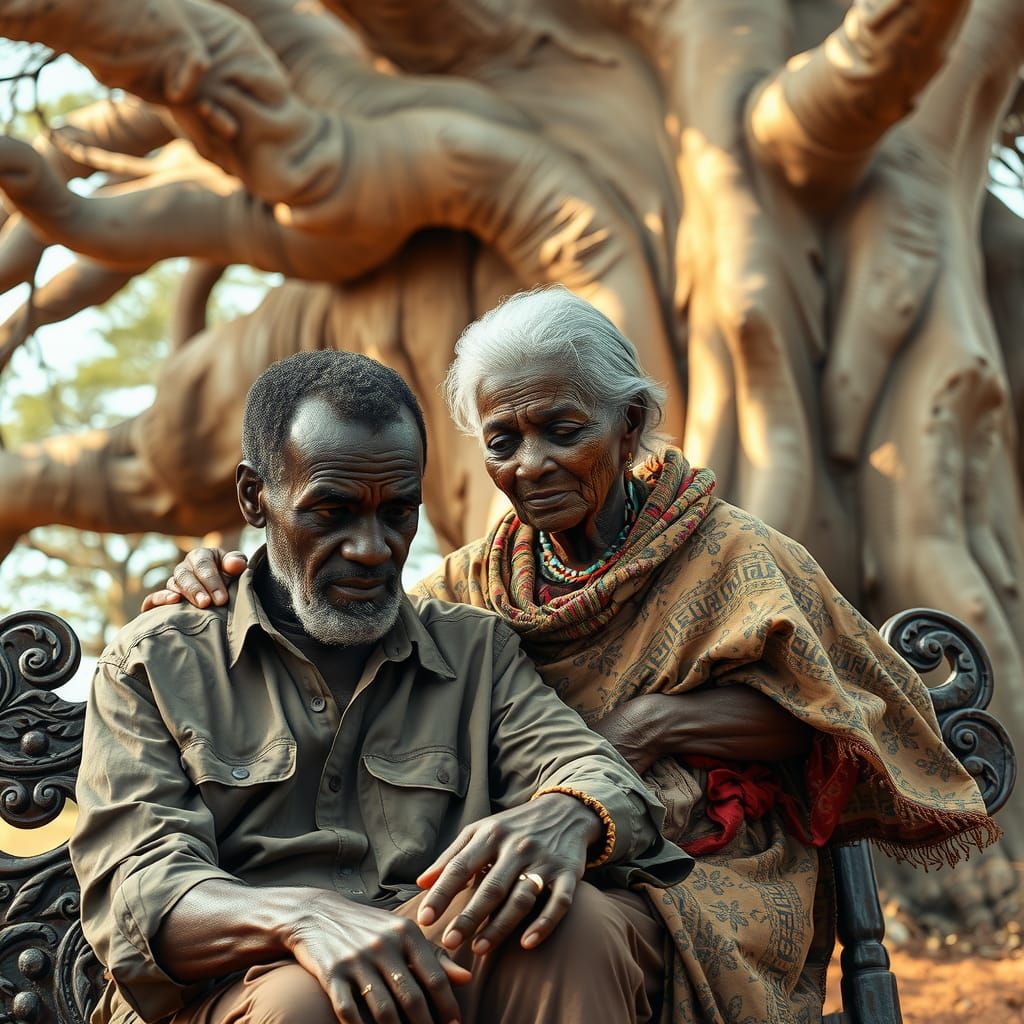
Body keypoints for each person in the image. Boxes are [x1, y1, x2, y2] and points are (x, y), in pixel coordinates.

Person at [152, 287, 998, 1024]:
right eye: (502, 441)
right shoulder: (475, 583)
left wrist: (654, 725)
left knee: (564, 929)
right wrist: (232, 575)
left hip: (711, 866)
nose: (532, 464)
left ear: (627, 425)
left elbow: (841, 706)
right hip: (532, 855)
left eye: (562, 430)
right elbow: (358, 619)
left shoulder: (734, 553)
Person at [71, 349, 694, 1024]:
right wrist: (303, 919)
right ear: (255, 497)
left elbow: (594, 773)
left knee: (576, 924)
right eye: (331, 511)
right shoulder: (154, 664)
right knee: (302, 1006)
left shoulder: (474, 652)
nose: (371, 549)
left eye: (397, 513)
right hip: (250, 986)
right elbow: (139, 891)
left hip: (436, 957)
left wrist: (570, 811)